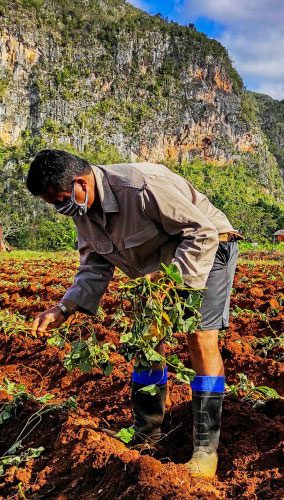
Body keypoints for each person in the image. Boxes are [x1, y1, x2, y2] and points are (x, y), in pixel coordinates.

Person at [26, 149, 242, 478]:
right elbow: (94, 265)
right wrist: (64, 308)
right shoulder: (82, 211)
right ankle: (146, 436)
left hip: (208, 249)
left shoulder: (140, 187)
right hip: (155, 268)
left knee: (199, 337)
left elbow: (202, 233)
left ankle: (205, 451)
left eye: (60, 200)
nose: (60, 209)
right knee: (145, 342)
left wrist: (175, 285)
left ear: (81, 183)